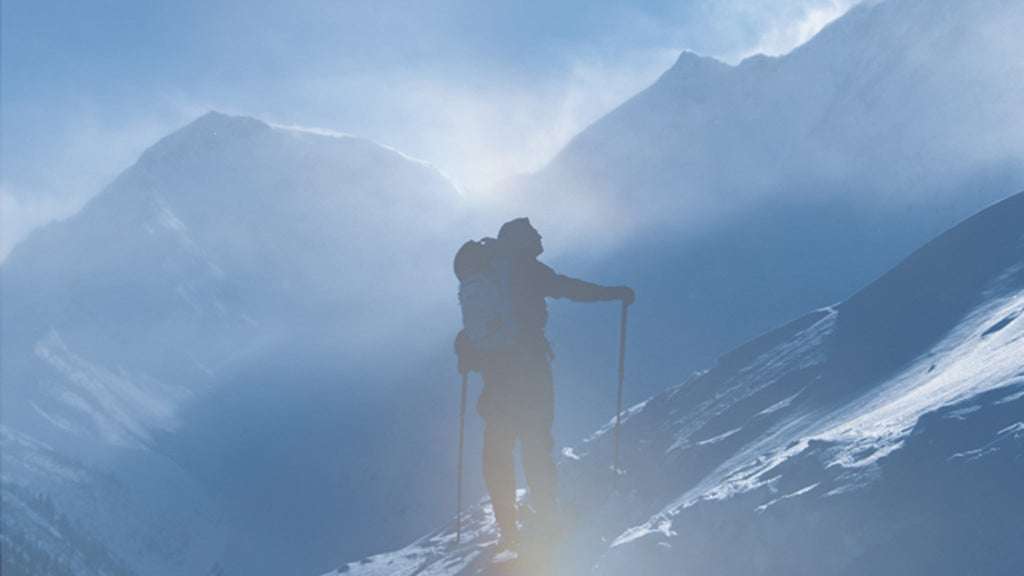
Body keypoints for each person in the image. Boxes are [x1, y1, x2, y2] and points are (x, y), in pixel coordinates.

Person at [457, 217, 634, 554]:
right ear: (521, 241)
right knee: (536, 446)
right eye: (533, 235)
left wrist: (465, 353)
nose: (539, 238)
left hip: (494, 376)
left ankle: (508, 527)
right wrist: (615, 294)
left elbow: (470, 333)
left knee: (498, 450)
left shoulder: (485, 277)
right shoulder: (525, 269)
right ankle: (550, 522)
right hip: (530, 371)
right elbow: (570, 289)